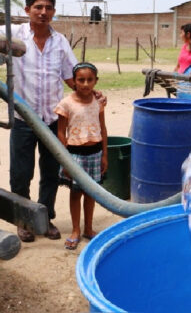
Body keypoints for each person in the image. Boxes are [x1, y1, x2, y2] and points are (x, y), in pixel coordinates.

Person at [0, 0, 80, 242]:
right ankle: (23, 219)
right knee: (20, 173)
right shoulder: (14, 34)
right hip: (23, 119)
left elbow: (72, 77)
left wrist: (92, 94)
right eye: (38, 7)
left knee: (50, 173)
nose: (43, 12)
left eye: (48, 8)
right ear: (27, 10)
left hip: (52, 120)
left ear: (54, 12)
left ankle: (45, 218)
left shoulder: (60, 42)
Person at [55, 62, 108, 250]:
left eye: (90, 80)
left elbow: (103, 128)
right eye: (81, 80)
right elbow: (61, 133)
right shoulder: (66, 104)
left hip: (95, 154)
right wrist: (66, 160)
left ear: (96, 81)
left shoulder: (99, 101)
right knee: (76, 193)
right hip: (75, 155)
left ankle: (88, 228)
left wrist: (105, 156)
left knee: (91, 193)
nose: (85, 84)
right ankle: (76, 230)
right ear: (74, 82)